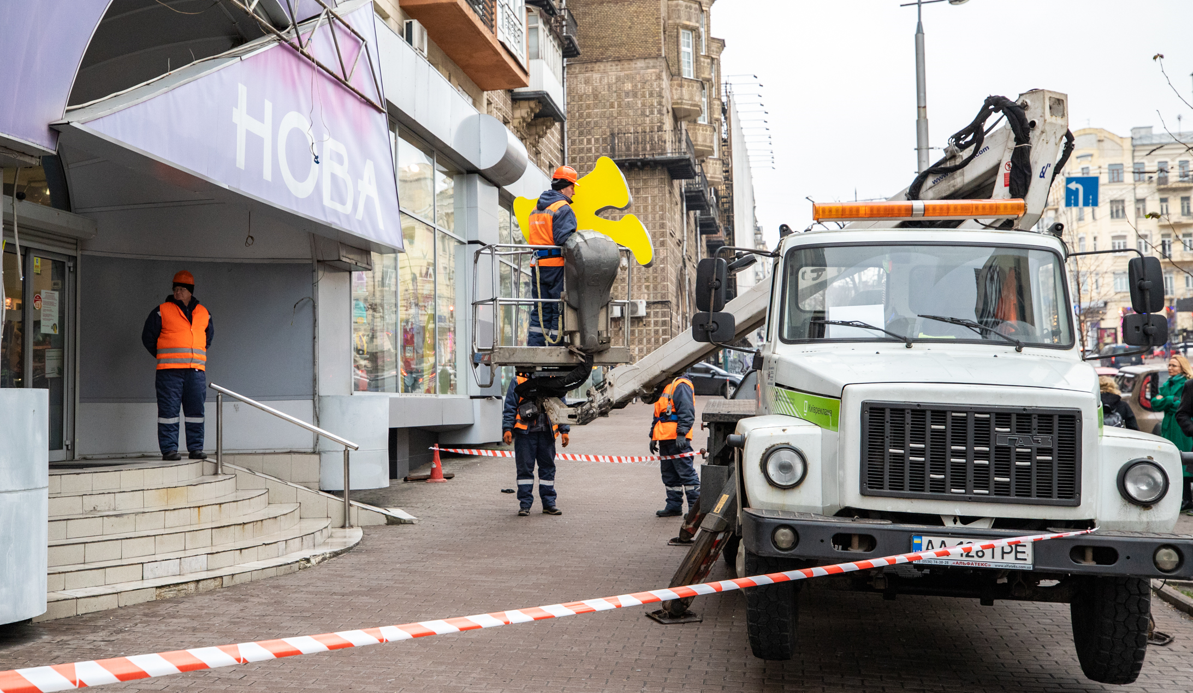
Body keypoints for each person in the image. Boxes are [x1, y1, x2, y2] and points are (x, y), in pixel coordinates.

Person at [141, 271, 213, 461]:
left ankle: (196, 448)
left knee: (196, 412)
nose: (178, 293)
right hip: (169, 372)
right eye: (176, 289)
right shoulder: (162, 310)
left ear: (190, 292)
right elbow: (148, 338)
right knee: (168, 412)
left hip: (195, 372)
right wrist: (165, 355)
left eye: (182, 289)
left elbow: (208, 338)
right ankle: (169, 449)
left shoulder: (204, 313)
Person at [502, 373, 569, 516]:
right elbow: (510, 406)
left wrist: (565, 430)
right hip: (525, 434)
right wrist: (507, 428)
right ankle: (525, 505)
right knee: (525, 470)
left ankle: (549, 504)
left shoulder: (553, 380)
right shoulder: (519, 381)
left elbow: (561, 407)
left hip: (546, 434)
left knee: (548, 469)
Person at [526, 166, 579, 347]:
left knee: (541, 309)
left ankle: (535, 348)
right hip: (556, 266)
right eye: (572, 187)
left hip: (538, 266)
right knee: (558, 308)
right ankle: (555, 348)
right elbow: (565, 239)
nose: (573, 191)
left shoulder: (536, 208)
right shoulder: (562, 209)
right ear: (564, 187)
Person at [650, 374, 699, 517]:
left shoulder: (681, 385)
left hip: (676, 438)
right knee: (669, 475)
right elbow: (659, 414)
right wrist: (653, 436)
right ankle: (674, 505)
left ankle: (695, 511)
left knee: (687, 474)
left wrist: (682, 433)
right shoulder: (667, 386)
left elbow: (687, 410)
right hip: (665, 437)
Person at [1154, 355, 1193, 510]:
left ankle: (1187, 499)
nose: (1170, 368)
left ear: (1182, 367)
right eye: (1169, 365)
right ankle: (1185, 498)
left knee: (1185, 463)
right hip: (1171, 426)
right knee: (1176, 460)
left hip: (1179, 431)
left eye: (1174, 366)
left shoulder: (1183, 383)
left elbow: (1174, 404)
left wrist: (1165, 400)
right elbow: (1156, 403)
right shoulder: (1169, 384)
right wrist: (1170, 399)